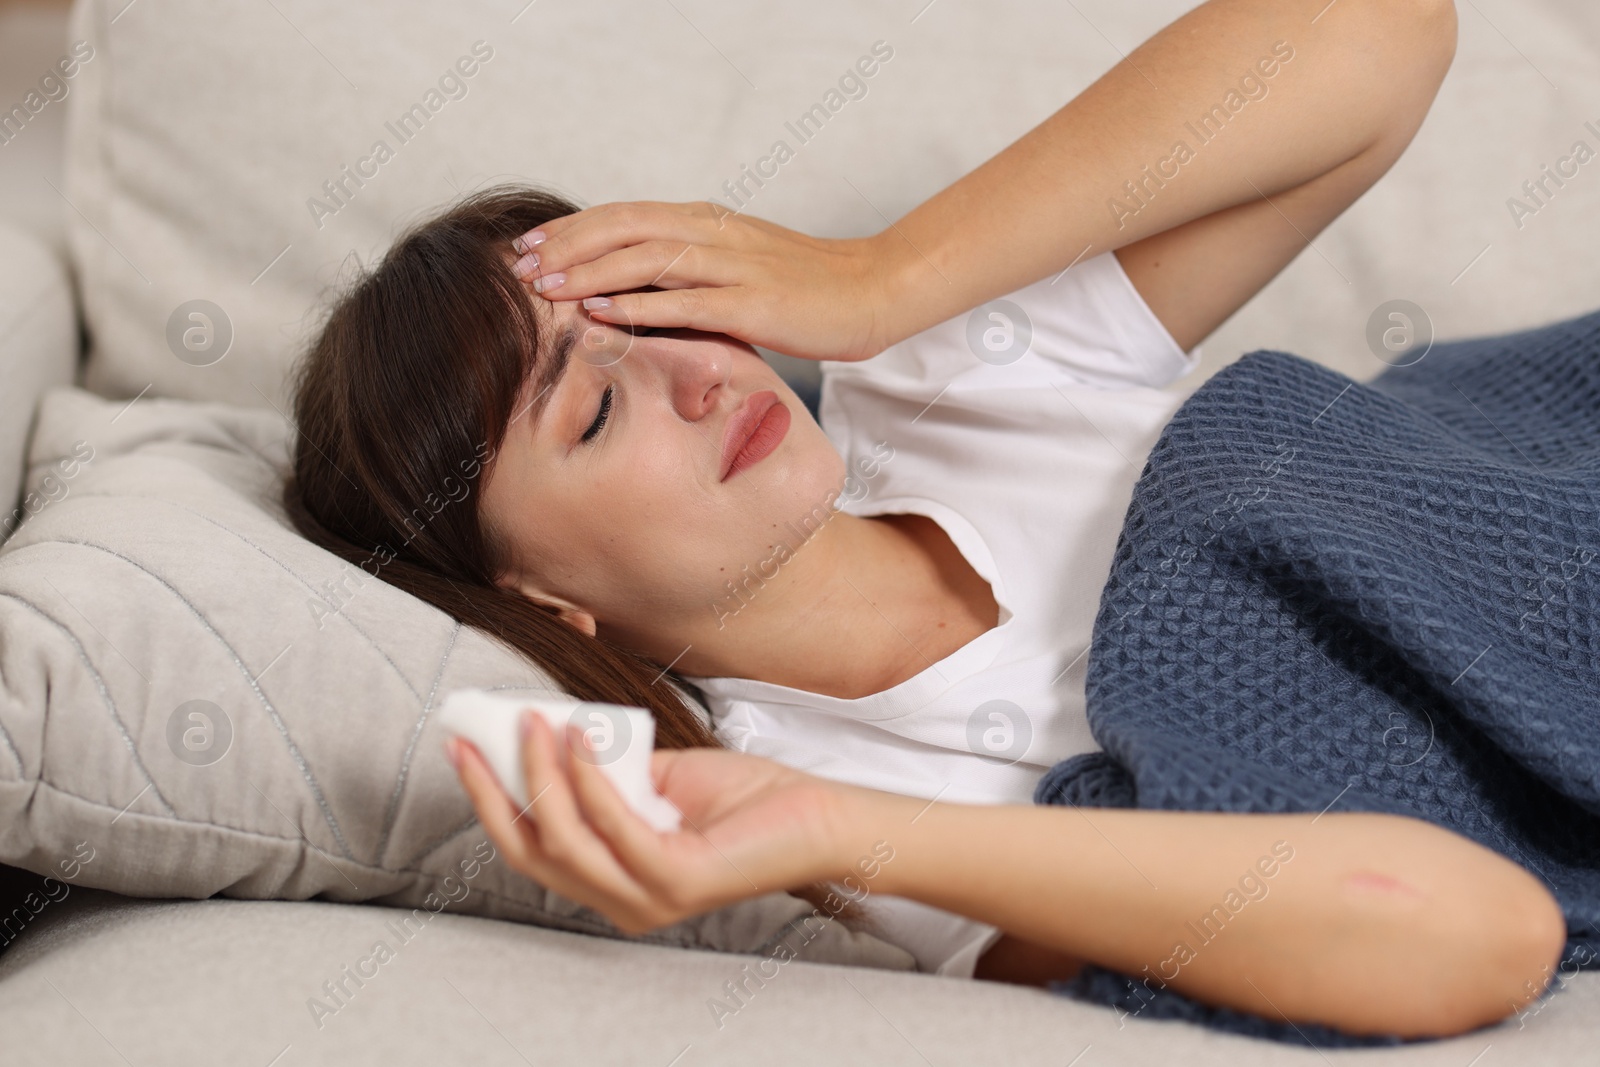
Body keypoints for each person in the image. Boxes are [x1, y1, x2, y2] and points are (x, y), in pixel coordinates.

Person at [283, 0, 1564, 1039]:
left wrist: (883, 274)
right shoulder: (847, 803)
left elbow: (1381, 29)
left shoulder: (942, 374)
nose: (697, 375)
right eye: (594, 414)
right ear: (537, 602)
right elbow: (1485, 934)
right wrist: (847, 834)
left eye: (653, 312)